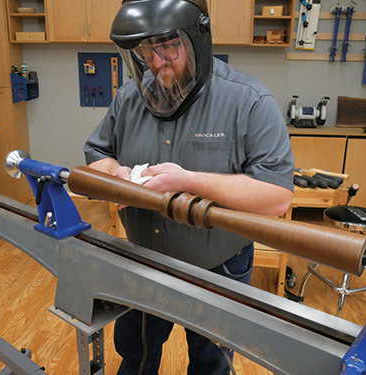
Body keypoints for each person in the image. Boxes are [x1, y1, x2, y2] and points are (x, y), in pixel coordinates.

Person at [83, 0, 294, 374]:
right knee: (136, 356)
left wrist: (189, 181)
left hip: (219, 266)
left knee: (211, 364)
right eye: (147, 49)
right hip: (145, 259)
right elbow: (97, 154)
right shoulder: (130, 97)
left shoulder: (248, 100)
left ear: (197, 39)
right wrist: (115, 174)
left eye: (168, 45)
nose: (157, 60)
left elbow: (276, 196)